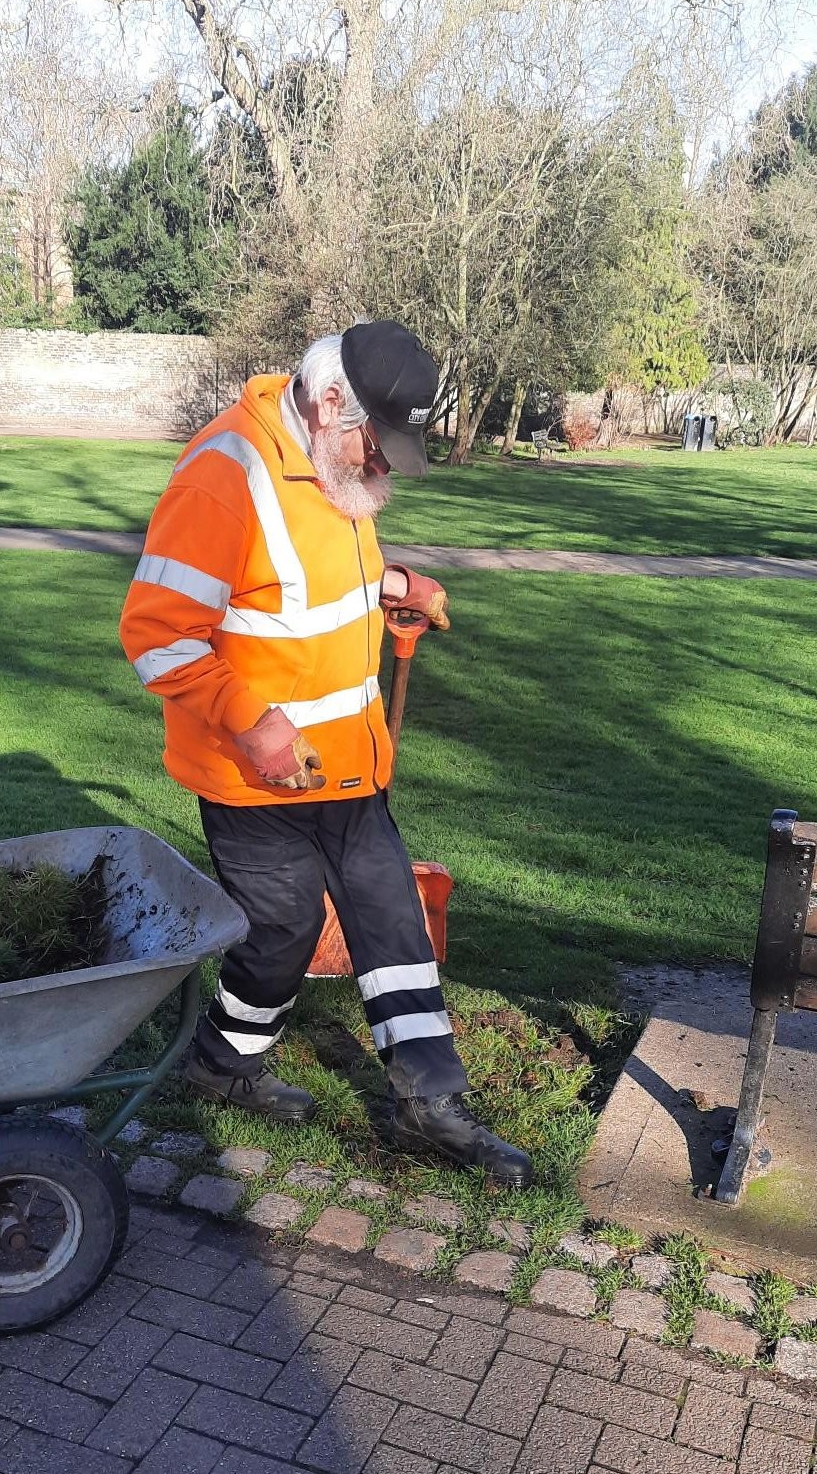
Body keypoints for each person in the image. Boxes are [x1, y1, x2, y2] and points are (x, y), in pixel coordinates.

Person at [120, 321, 532, 1187]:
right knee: (281, 932)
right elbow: (157, 633)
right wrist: (250, 717)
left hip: (349, 765)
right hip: (253, 775)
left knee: (394, 920)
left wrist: (394, 588)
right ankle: (223, 1063)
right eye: (378, 444)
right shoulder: (225, 476)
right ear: (331, 402)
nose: (384, 465)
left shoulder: (336, 470)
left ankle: (432, 1106)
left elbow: (311, 578)